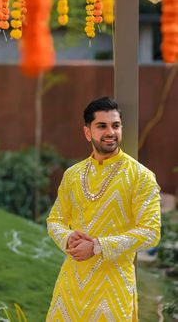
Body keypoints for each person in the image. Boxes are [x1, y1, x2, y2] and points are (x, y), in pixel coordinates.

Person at [46, 97, 161, 321]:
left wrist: (98, 246)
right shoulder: (73, 174)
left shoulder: (140, 176)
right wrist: (68, 237)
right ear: (87, 132)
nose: (111, 132)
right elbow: (55, 219)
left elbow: (150, 232)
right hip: (71, 286)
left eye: (115, 125)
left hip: (113, 290)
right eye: (102, 126)